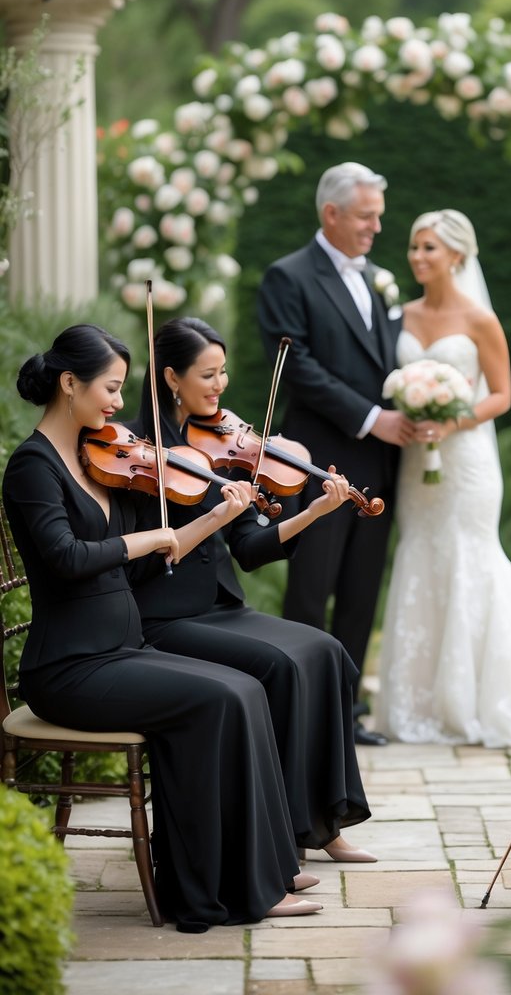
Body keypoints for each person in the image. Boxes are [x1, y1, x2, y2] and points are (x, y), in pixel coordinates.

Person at [2, 324, 323, 932]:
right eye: (111, 388)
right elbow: (68, 558)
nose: (121, 404)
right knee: (216, 699)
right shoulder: (32, 467)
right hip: (69, 666)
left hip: (119, 648)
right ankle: (208, 893)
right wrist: (150, 533)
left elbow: (151, 558)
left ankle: (259, 875)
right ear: (69, 384)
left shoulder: (96, 461)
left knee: (244, 689)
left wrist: (214, 515)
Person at [129, 316, 377, 862]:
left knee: (325, 650)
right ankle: (285, 835)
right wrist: (213, 517)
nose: (220, 387)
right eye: (207, 375)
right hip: (164, 617)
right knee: (281, 666)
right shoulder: (140, 452)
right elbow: (145, 556)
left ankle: (325, 821)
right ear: (171, 378)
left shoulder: (218, 440)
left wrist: (312, 511)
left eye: (223, 373)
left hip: (217, 606)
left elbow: (250, 547)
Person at [374, 209, 511, 749]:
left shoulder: (480, 319)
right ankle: (417, 703)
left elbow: (501, 394)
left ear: (457, 255)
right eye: (414, 246)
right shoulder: (400, 315)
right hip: (416, 460)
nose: (417, 257)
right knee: (421, 552)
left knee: (469, 555)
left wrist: (450, 420)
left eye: (429, 248)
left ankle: (482, 696)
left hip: (467, 461)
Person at [256, 161, 416, 745]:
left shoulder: (378, 275)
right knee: (311, 589)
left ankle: (345, 717)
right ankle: (303, 714)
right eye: (366, 216)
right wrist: (374, 418)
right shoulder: (287, 276)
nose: (376, 227)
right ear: (332, 213)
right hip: (318, 460)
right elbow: (296, 366)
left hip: (381, 463)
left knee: (359, 591)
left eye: (378, 215)